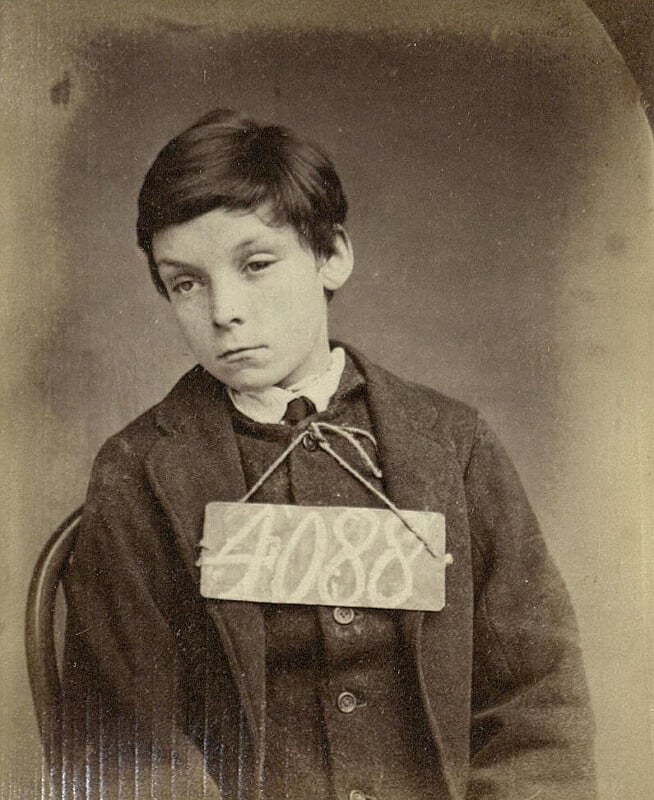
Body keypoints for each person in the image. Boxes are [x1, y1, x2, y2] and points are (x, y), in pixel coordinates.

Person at [61, 108, 596, 800]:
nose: (224, 309)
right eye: (186, 282)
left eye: (255, 265)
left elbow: (537, 705)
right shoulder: (138, 473)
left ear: (331, 255)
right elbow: (124, 742)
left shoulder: (454, 447)